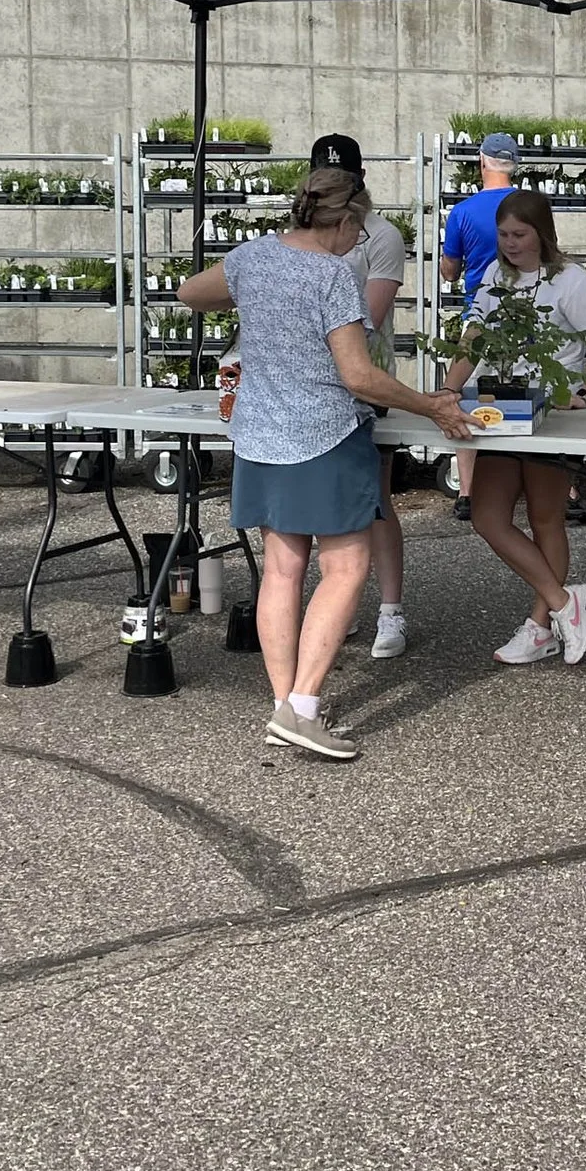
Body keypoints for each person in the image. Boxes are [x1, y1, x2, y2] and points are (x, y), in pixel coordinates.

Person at [176, 168, 470, 761]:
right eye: (357, 231)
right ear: (345, 221)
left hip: (258, 434)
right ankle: (303, 707)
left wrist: (255, 296)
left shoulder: (253, 257)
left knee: (282, 570)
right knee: (346, 567)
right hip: (324, 436)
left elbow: (188, 293)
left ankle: (285, 704)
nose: (356, 242)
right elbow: (357, 376)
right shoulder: (333, 275)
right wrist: (430, 404)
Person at [442, 188, 586, 666]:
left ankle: (541, 624)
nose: (511, 243)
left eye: (520, 234)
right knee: (487, 518)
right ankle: (566, 601)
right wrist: (447, 390)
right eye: (503, 235)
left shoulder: (571, 280)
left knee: (546, 520)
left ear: (542, 233)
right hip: (500, 412)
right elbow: (472, 339)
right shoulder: (493, 277)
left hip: (552, 420)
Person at [306, 131, 412, 658]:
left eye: (343, 184)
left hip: (366, 379)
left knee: (374, 498)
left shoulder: (381, 237)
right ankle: (338, 604)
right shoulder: (296, 236)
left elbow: (370, 318)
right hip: (308, 383)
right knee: (321, 502)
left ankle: (390, 610)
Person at [439, 131, 520, 520]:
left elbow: (450, 271)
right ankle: (566, 491)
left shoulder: (463, 212)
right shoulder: (530, 207)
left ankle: (467, 493)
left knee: (465, 397)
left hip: (479, 312)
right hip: (528, 312)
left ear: (482, 163)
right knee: (534, 393)